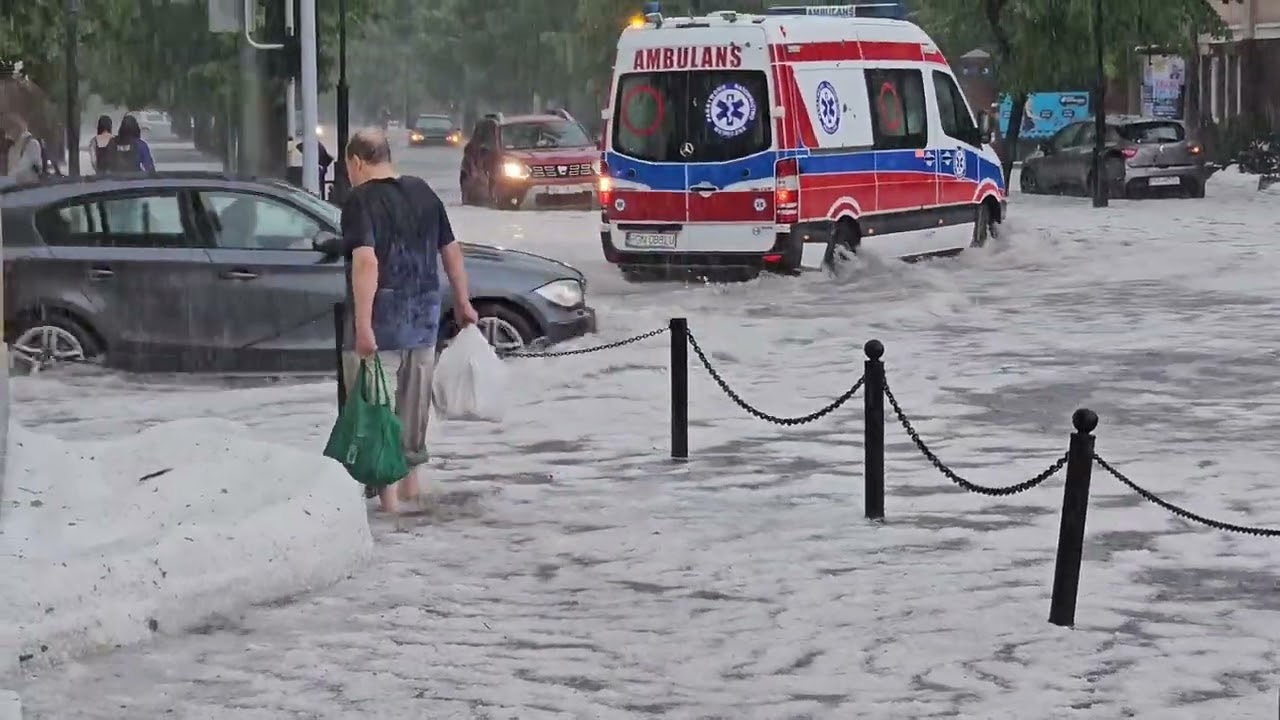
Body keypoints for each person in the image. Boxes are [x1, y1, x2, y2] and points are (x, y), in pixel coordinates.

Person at [341, 127, 478, 513]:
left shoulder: (359, 201)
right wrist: (464, 303)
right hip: (423, 320)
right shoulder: (422, 191)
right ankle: (412, 494)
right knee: (413, 413)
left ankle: (388, 509)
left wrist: (363, 326)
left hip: (381, 324)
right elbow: (450, 250)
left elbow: (366, 261)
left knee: (377, 414)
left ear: (356, 162)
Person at [1, 113, 45, 184]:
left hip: (29, 189)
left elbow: (25, 168)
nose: (6, 136)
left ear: (17, 128)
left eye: (9, 130)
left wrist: (7, 180)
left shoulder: (32, 144)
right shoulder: (12, 149)